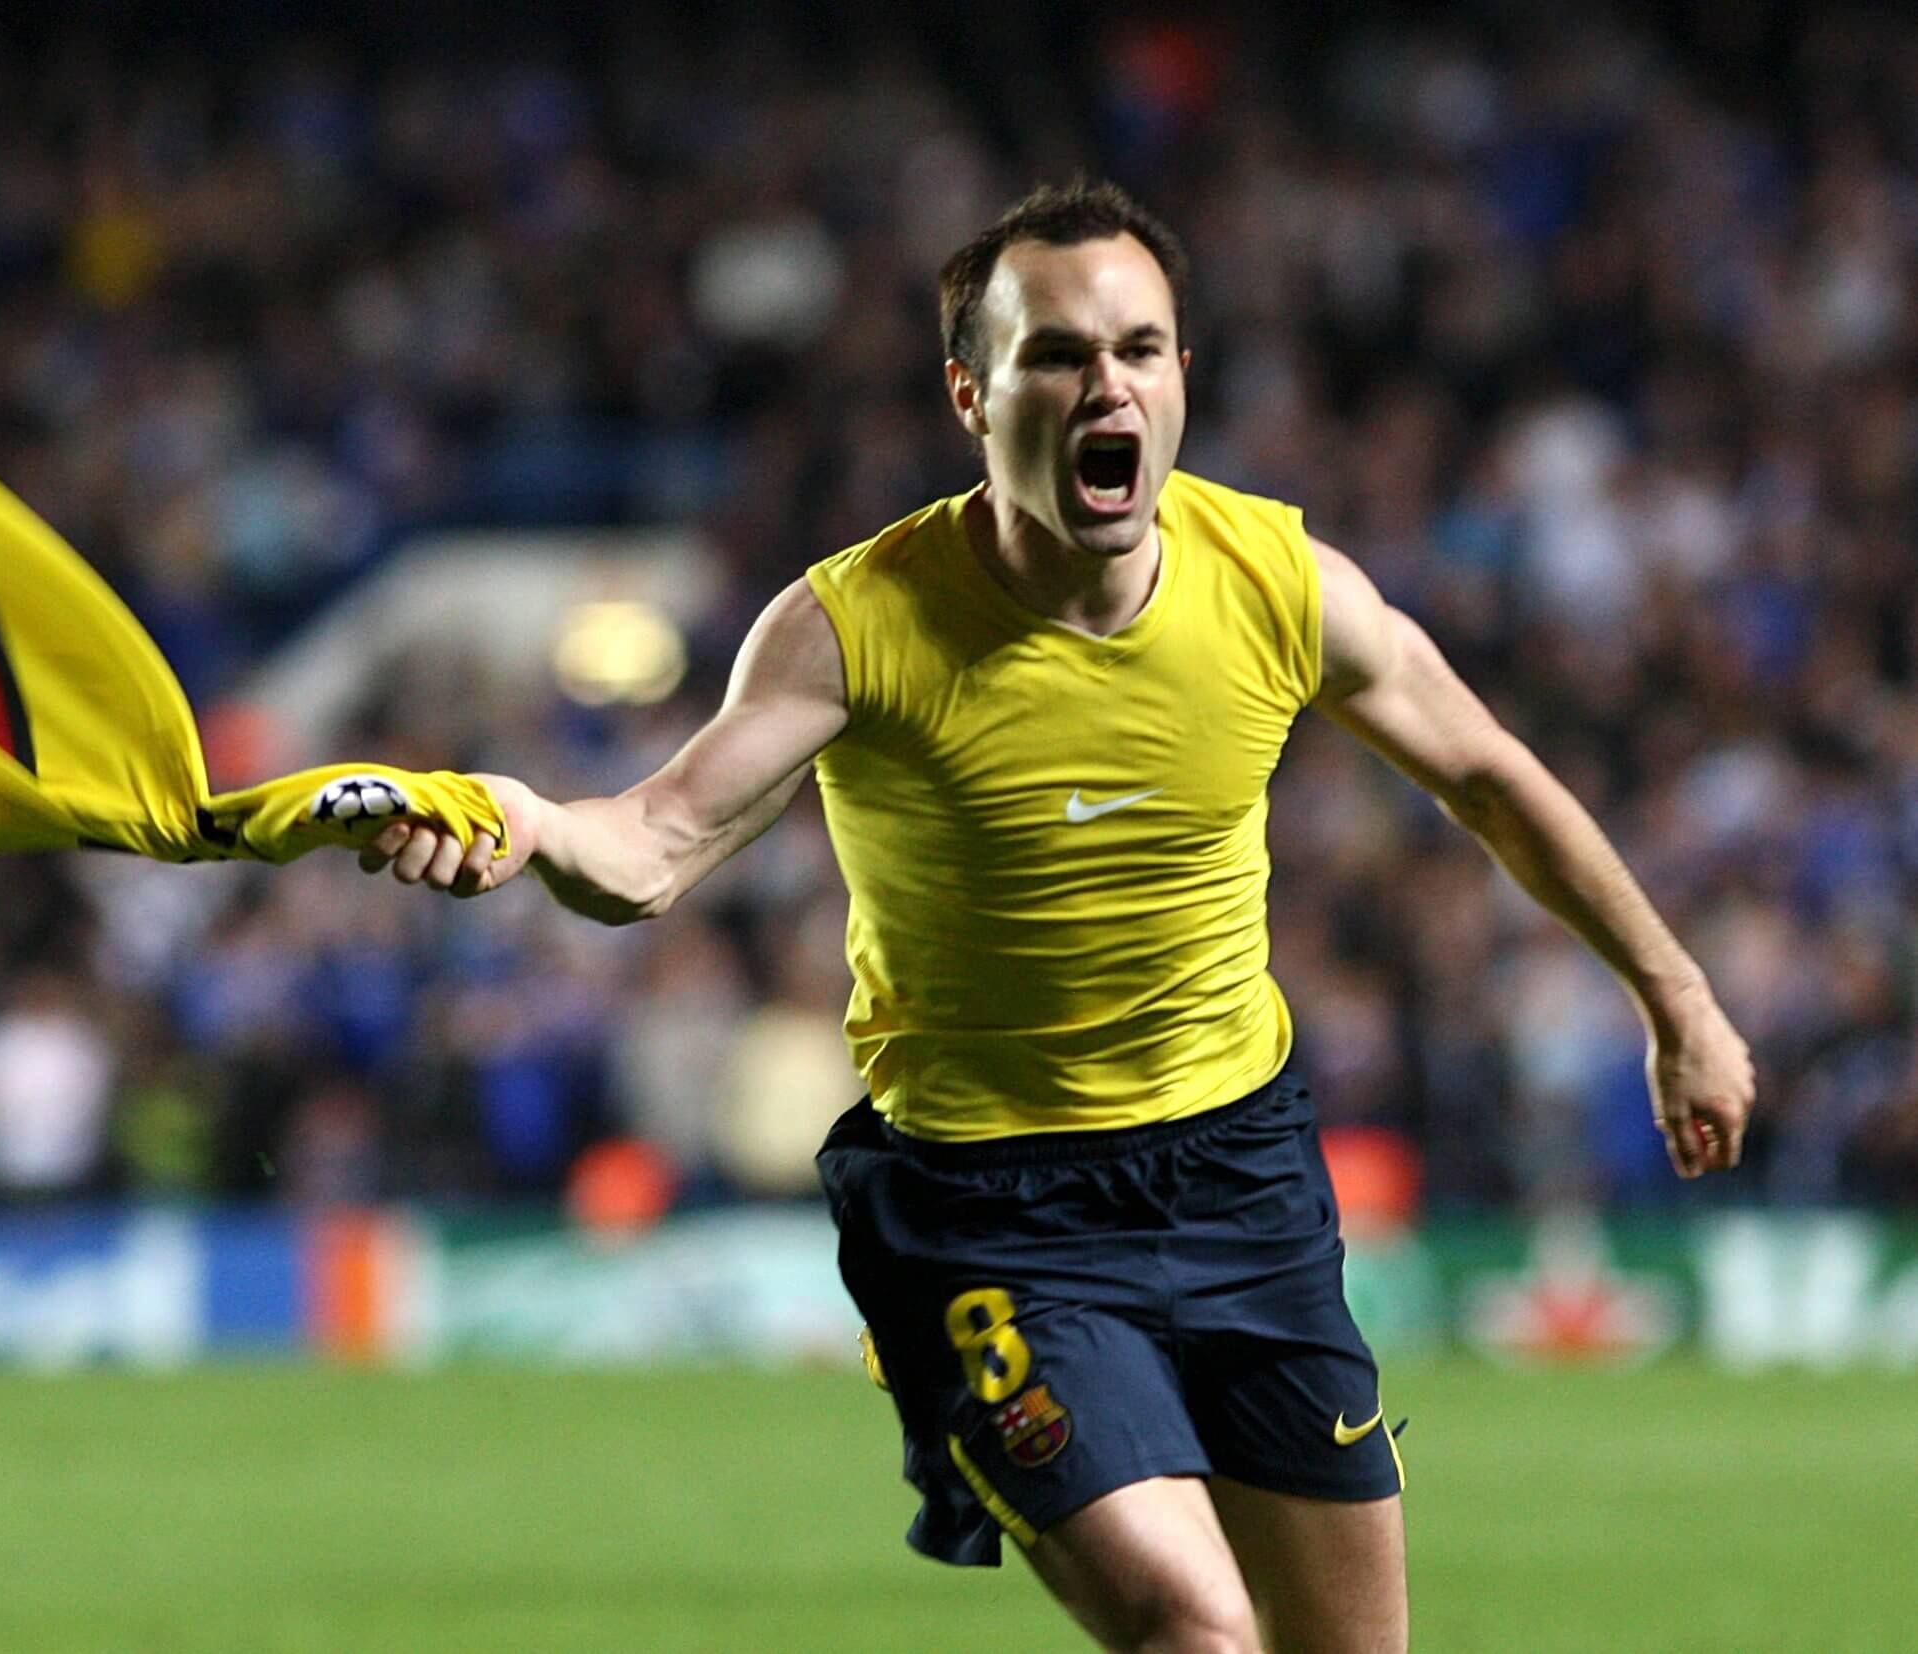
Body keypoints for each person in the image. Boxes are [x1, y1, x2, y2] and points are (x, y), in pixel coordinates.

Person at [360, 181, 1755, 1654]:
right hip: (992, 1213)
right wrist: (526, 821)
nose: (1109, 385)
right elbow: (651, 844)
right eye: (1059, 355)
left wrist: (1683, 1001)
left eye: (1141, 349)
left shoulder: (1278, 584)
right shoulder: (857, 622)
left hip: (1244, 1179)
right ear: (973, 394)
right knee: (1201, 1633)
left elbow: (1489, 774)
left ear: (1181, 379)